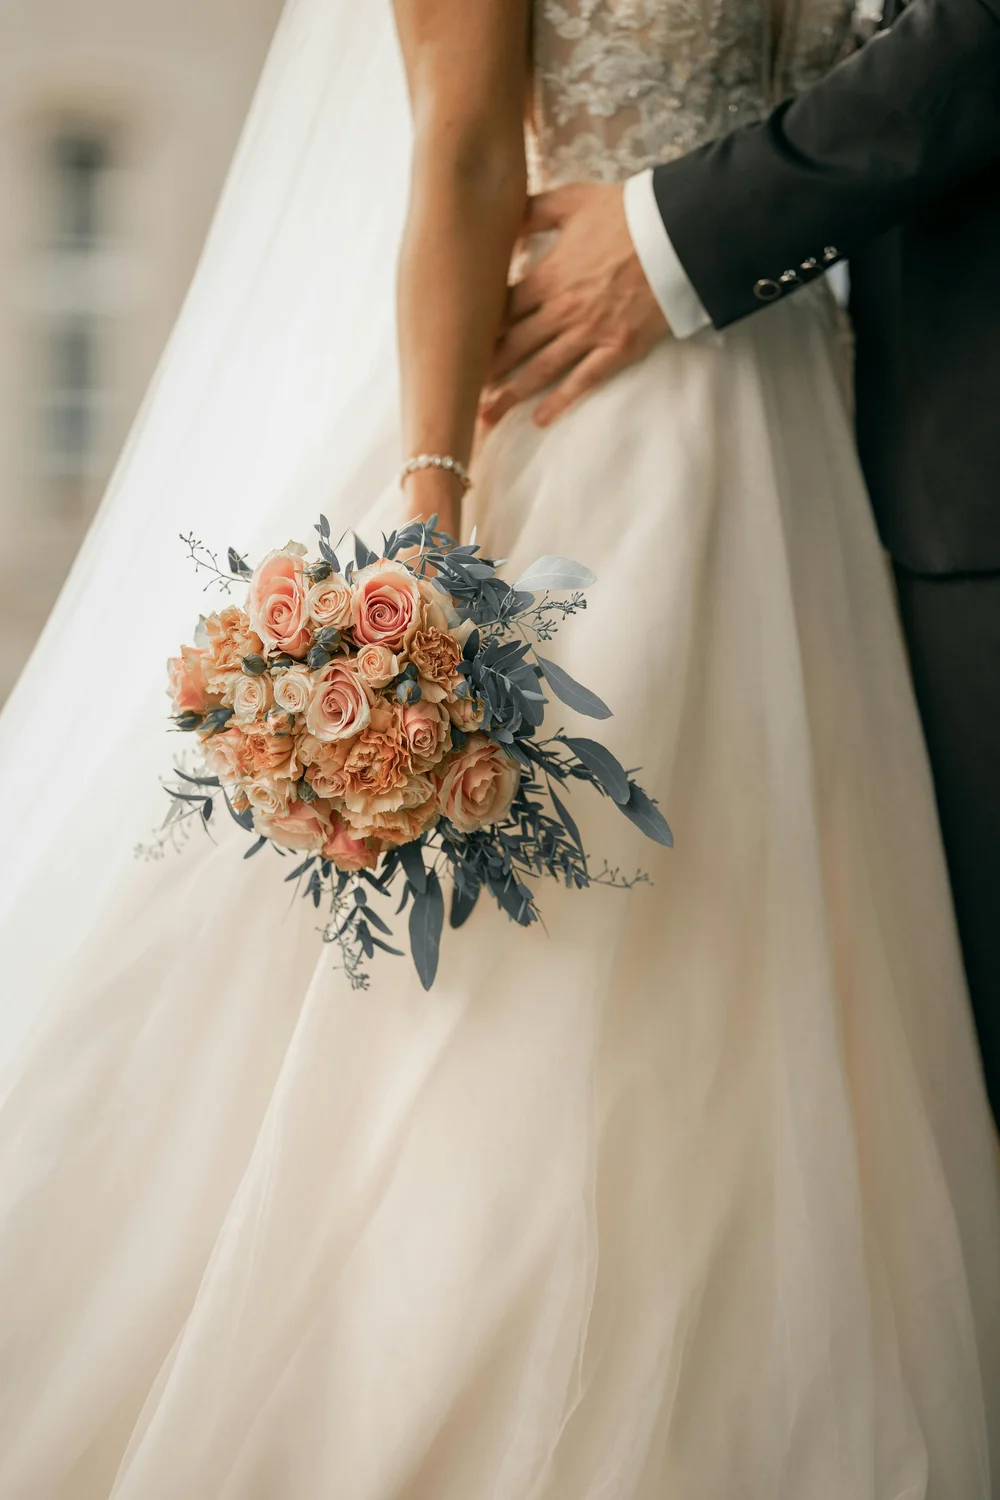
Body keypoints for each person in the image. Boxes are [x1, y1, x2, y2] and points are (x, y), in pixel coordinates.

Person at [0, 1, 998, 1494]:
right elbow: (462, 149)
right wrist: (431, 539)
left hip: (813, 419)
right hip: (582, 405)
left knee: (800, 969)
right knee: (565, 980)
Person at [485, 0, 1000, 1120]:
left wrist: (676, 237)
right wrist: (432, 500)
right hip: (640, 417)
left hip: (824, 419)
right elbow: (459, 146)